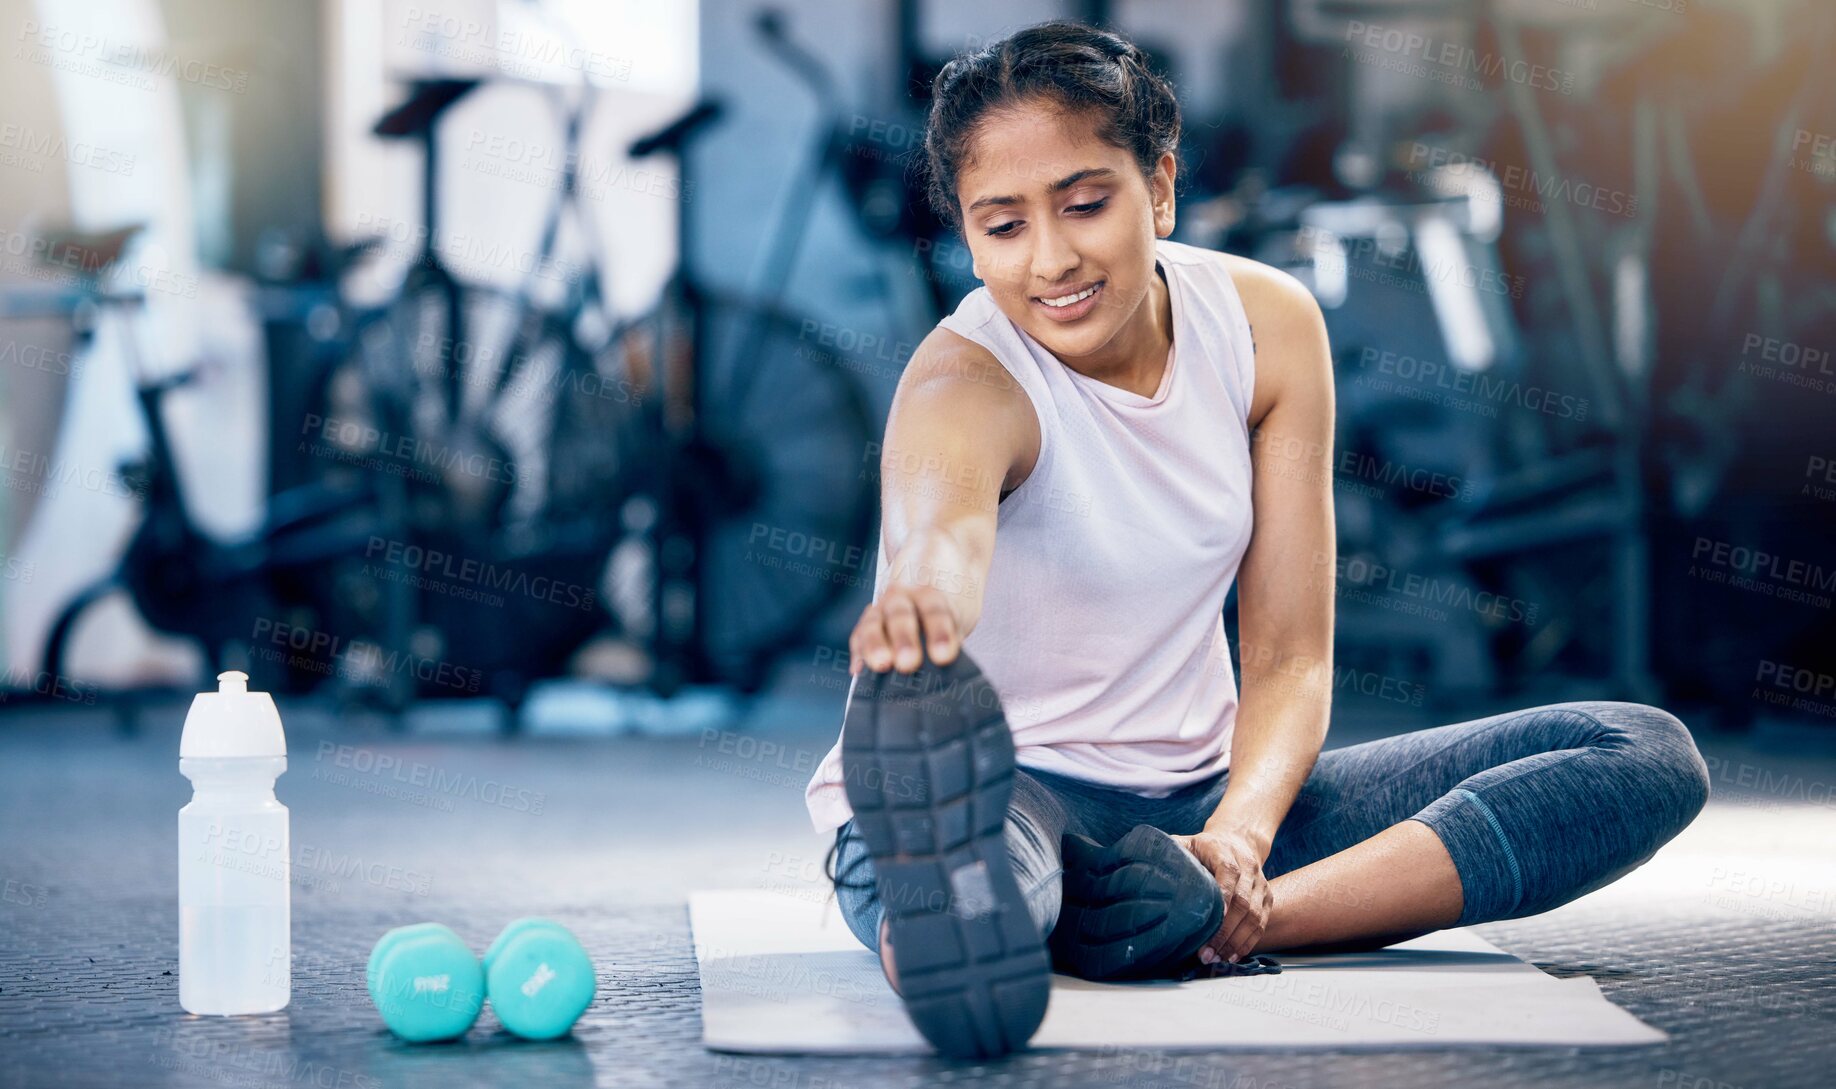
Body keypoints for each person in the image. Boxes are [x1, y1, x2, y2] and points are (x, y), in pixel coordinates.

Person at [800, 21, 1709, 1060]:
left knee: (1641, 754)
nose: (1050, 260)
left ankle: (1225, 913)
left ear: (1162, 188)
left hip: (1199, 795)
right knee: (990, 881)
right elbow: (939, 537)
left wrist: (1235, 842)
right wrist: (923, 602)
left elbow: (1288, 657)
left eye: (1085, 203)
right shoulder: (966, 379)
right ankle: (958, 911)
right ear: (967, 235)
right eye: (1001, 227)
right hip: (1009, 782)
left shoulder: (1266, 326)